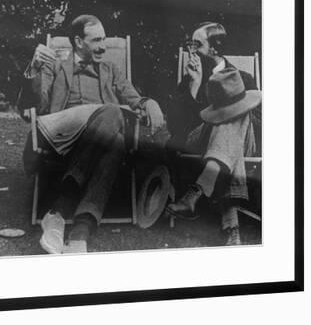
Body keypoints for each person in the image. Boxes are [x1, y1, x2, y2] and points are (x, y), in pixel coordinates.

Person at [22, 14, 165, 254]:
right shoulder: (55, 67)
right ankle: (76, 223)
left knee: (115, 139)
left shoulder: (111, 69)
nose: (103, 46)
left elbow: (132, 97)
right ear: (79, 42)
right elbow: (37, 104)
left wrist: (149, 103)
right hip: (62, 138)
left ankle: (71, 224)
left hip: (98, 139)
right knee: (111, 116)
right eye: (96, 40)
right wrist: (35, 71)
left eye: (105, 39)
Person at [166, 22, 261, 246]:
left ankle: (195, 194)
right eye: (190, 44)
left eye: (197, 44)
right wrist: (195, 86)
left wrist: (235, 111)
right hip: (201, 141)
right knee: (226, 129)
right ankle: (232, 227)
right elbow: (177, 128)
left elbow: (259, 122)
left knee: (236, 118)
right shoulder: (190, 78)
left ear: (215, 48)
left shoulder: (244, 79)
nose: (191, 50)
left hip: (242, 140)